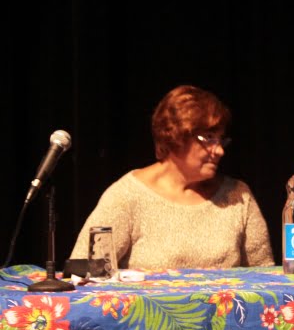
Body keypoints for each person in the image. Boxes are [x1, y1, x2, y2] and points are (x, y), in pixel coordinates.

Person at [70, 85, 274, 269]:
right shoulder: (127, 196)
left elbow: (264, 279)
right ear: (176, 136)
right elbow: (84, 272)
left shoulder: (237, 196)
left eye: (221, 139)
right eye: (209, 138)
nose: (219, 150)